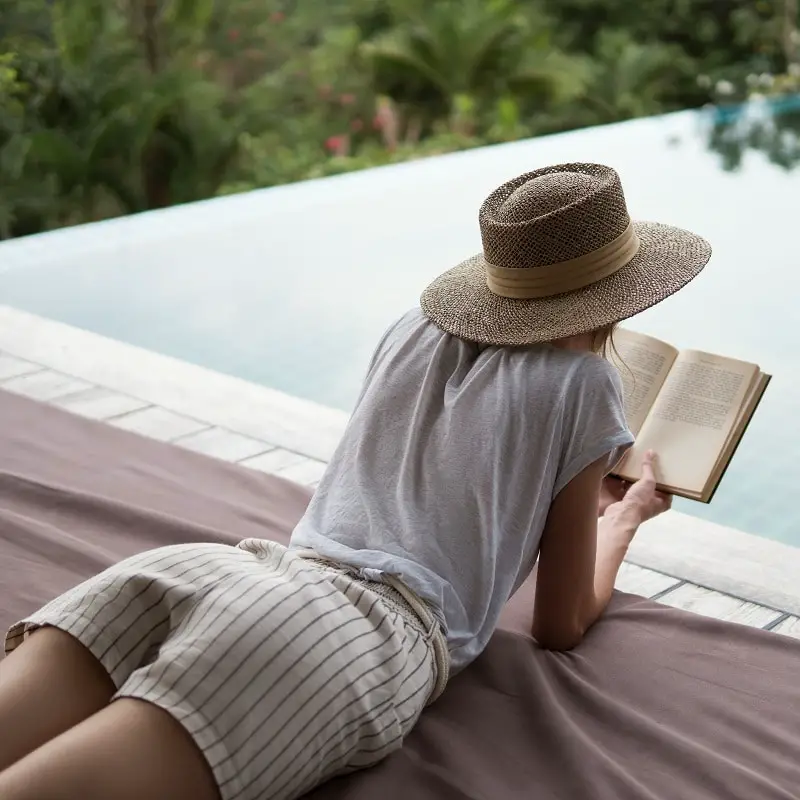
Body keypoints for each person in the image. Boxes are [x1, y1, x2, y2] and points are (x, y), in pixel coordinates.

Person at [0, 162, 711, 800]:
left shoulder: (413, 328)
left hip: (226, 572)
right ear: (618, 292)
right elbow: (559, 624)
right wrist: (621, 519)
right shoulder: (585, 387)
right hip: (346, 638)